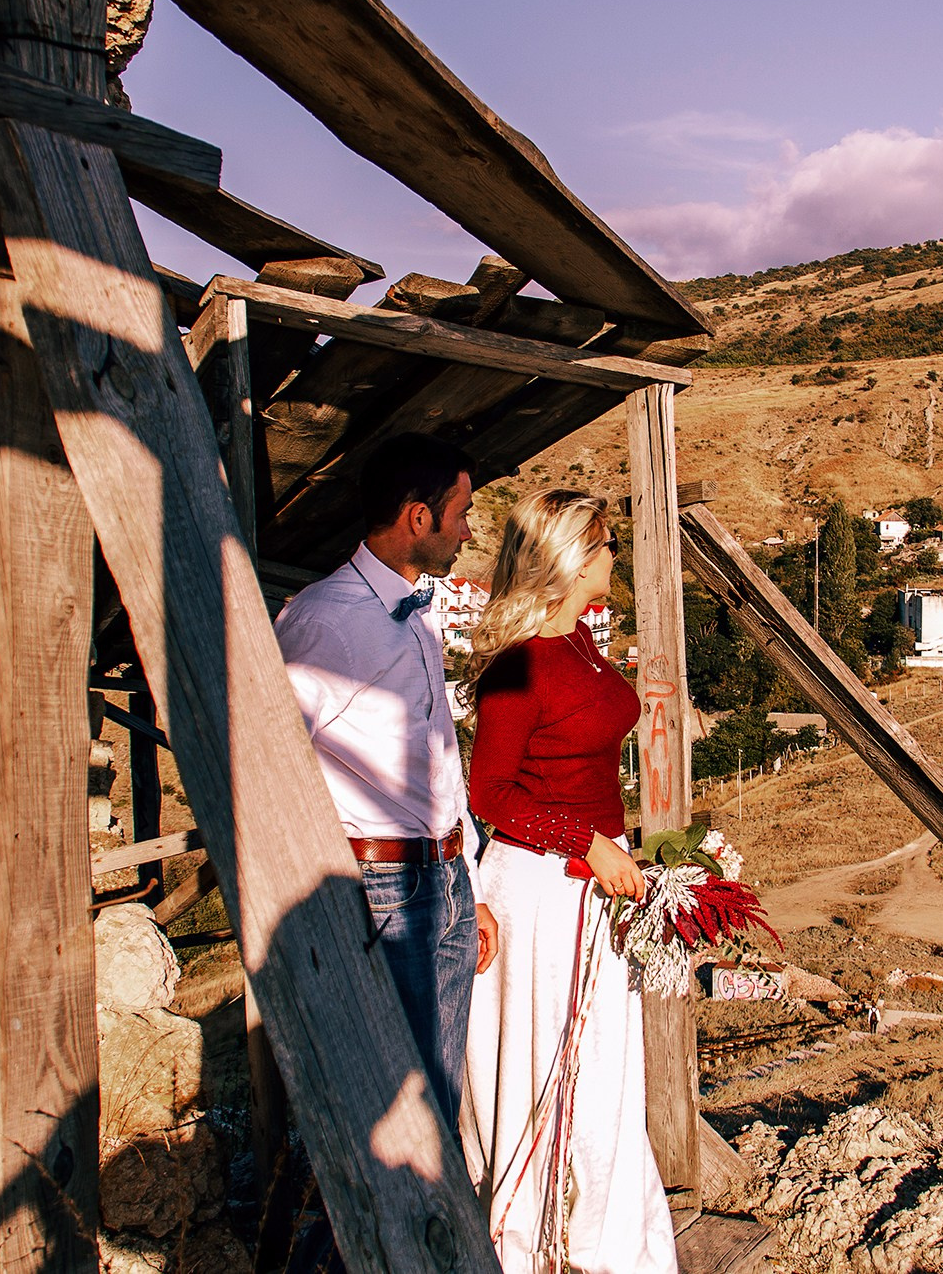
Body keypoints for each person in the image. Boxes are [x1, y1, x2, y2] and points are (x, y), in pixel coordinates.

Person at [460, 489, 677, 1274]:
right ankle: (537, 1243)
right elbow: (490, 794)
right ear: (575, 556)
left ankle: (600, 1242)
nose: (616, 553)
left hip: (591, 878)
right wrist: (589, 844)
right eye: (607, 542)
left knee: (603, 1068)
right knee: (554, 1065)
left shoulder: (580, 639)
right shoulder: (519, 666)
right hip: (544, 888)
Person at [273, 433, 500, 1129]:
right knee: (388, 1111)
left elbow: (439, 764)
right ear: (418, 518)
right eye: (461, 514)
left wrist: (470, 887)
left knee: (440, 1100)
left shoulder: (415, 613)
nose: (469, 532)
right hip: (380, 891)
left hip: (445, 880)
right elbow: (270, 765)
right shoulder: (324, 620)